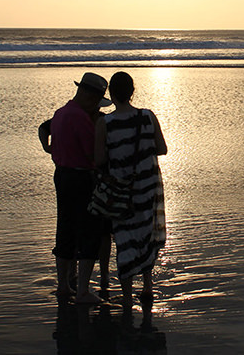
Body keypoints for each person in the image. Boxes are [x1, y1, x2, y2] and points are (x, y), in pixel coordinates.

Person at [94, 71, 167, 309]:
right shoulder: (148, 116)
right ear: (132, 91)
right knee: (146, 235)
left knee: (125, 238)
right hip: (147, 188)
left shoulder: (105, 123)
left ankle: (127, 297)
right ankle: (147, 286)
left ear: (111, 95)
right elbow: (162, 148)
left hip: (121, 191)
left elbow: (99, 159)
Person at [39, 72, 111, 304]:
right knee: (90, 230)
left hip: (62, 175)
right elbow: (93, 154)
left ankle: (63, 286)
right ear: (90, 96)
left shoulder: (60, 113)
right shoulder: (80, 118)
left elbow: (44, 131)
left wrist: (48, 147)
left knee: (65, 228)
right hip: (82, 177)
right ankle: (82, 290)